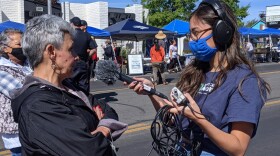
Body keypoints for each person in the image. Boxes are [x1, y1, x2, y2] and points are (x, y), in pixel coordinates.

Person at [128, 0, 270, 155]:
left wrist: (199, 119)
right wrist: (152, 92)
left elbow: (238, 148)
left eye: (196, 33)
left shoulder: (244, 80)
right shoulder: (195, 72)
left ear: (221, 31)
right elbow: (173, 119)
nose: (192, 39)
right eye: (191, 34)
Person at [11, 14, 127, 156]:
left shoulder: (69, 86)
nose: (76, 56)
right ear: (51, 52)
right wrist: (104, 129)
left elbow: (108, 111)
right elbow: (91, 151)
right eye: (71, 49)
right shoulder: (38, 105)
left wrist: (100, 127)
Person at [0, 28, 32, 156]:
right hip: (16, 129)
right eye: (19, 44)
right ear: (5, 48)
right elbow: (20, 92)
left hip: (35, 123)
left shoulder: (29, 64)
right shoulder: (2, 70)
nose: (23, 47)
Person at [66, 17, 96, 96]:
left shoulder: (69, 35)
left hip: (71, 63)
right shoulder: (87, 35)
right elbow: (94, 49)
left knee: (69, 85)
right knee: (83, 86)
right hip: (83, 62)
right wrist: (87, 57)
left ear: (72, 24)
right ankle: (84, 103)